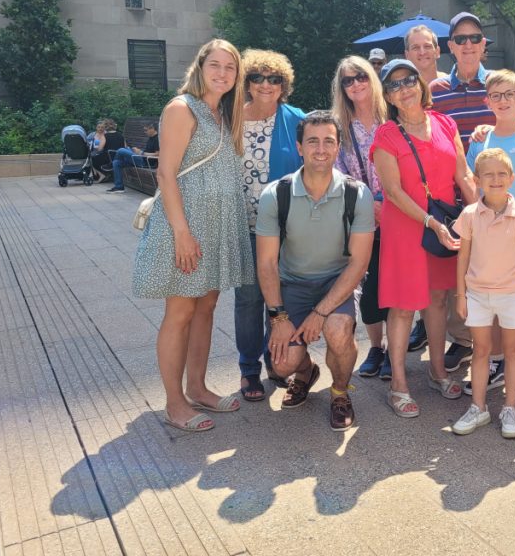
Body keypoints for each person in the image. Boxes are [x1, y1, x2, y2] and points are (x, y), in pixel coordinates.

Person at [133, 39, 254, 433]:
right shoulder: (181, 109)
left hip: (218, 223)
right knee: (181, 312)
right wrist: (182, 233)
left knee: (206, 307)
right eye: (215, 65)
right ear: (200, 67)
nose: (222, 73)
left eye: (230, 67)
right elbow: (166, 173)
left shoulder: (225, 113)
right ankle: (175, 403)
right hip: (187, 224)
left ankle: (197, 388)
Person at [255, 111, 375, 430]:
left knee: (338, 329)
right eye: (312, 141)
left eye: (328, 141)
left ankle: (339, 393)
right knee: (282, 365)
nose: (320, 149)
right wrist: (278, 318)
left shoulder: (357, 193)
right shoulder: (276, 195)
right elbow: (266, 263)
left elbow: (359, 263)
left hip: (337, 281)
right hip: (291, 284)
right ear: (299, 147)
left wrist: (320, 313)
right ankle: (306, 372)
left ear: (337, 147)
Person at [371, 59, 476, 417]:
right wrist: (430, 222)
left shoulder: (445, 123)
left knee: (438, 298)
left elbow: (464, 175)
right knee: (403, 306)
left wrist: (482, 215)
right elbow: (393, 192)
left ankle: (437, 371)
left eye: (408, 80)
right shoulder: (386, 135)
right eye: (394, 85)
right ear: (388, 96)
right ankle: (398, 384)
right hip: (407, 227)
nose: (404, 89)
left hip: (443, 224)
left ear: (420, 84)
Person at [430, 11, 515, 373]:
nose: (468, 44)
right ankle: (467, 342)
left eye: (475, 38)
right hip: (453, 198)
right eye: (461, 39)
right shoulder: (435, 91)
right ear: (451, 46)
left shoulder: (499, 84)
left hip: (498, 200)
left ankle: (506, 357)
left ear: (484, 44)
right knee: (465, 272)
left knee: (501, 276)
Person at [464, 70, 515, 402]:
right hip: (485, 237)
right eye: (496, 95)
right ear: (487, 101)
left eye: (509, 94)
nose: (503, 101)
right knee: (490, 298)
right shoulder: (480, 140)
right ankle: (496, 362)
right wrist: (485, 220)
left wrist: (507, 221)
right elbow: (472, 184)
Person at [234, 49, 306, 402]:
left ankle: (276, 363)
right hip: (243, 225)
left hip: (285, 227)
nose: (265, 84)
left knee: (280, 297)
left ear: (283, 84)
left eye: (273, 79)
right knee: (249, 298)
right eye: (257, 78)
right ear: (246, 83)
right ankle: (249, 369)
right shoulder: (231, 119)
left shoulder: (297, 120)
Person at [452, 149, 515, 438]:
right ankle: (478, 408)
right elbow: (463, 257)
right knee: (481, 351)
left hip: (512, 295)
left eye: (502, 173)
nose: (496, 179)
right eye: (488, 174)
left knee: (513, 351)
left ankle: (510, 409)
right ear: (477, 180)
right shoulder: (469, 215)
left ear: (512, 178)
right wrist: (461, 295)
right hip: (477, 294)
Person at [331, 56, 391, 379]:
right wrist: (369, 203)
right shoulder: (339, 126)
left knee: (394, 282)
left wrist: (387, 201)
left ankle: (394, 349)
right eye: (348, 80)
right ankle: (376, 346)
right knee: (367, 286)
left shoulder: (391, 115)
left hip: (398, 210)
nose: (355, 84)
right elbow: (337, 174)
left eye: (361, 77)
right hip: (362, 214)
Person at [107, 122, 159, 192]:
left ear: (152, 129)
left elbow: (158, 154)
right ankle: (119, 187)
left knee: (121, 150)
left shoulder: (157, 139)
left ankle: (110, 165)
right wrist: (138, 151)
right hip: (141, 158)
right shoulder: (151, 138)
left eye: (146, 130)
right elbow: (147, 151)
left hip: (146, 162)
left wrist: (141, 153)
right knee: (116, 163)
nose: (145, 132)